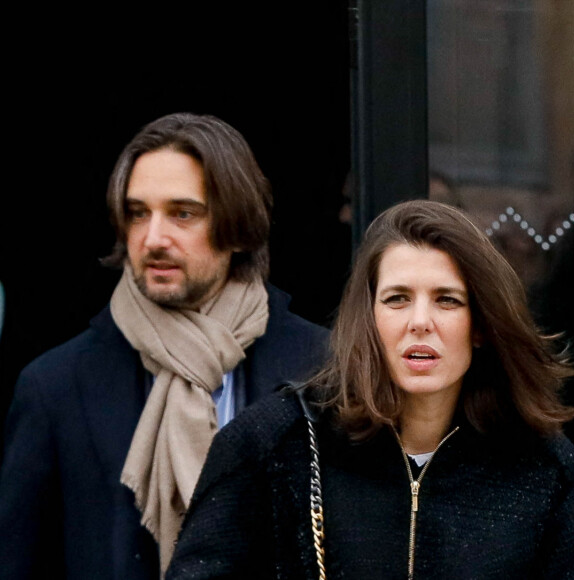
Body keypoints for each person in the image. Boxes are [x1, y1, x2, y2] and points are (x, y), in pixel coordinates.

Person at [167, 199, 574, 580]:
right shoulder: (272, 444)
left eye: (447, 300)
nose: (420, 321)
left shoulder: (543, 467)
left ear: (480, 326)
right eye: (397, 298)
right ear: (369, 319)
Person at [0, 112, 329, 579]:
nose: (153, 238)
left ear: (236, 225)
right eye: (138, 213)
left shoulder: (325, 369)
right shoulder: (55, 387)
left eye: (183, 213)